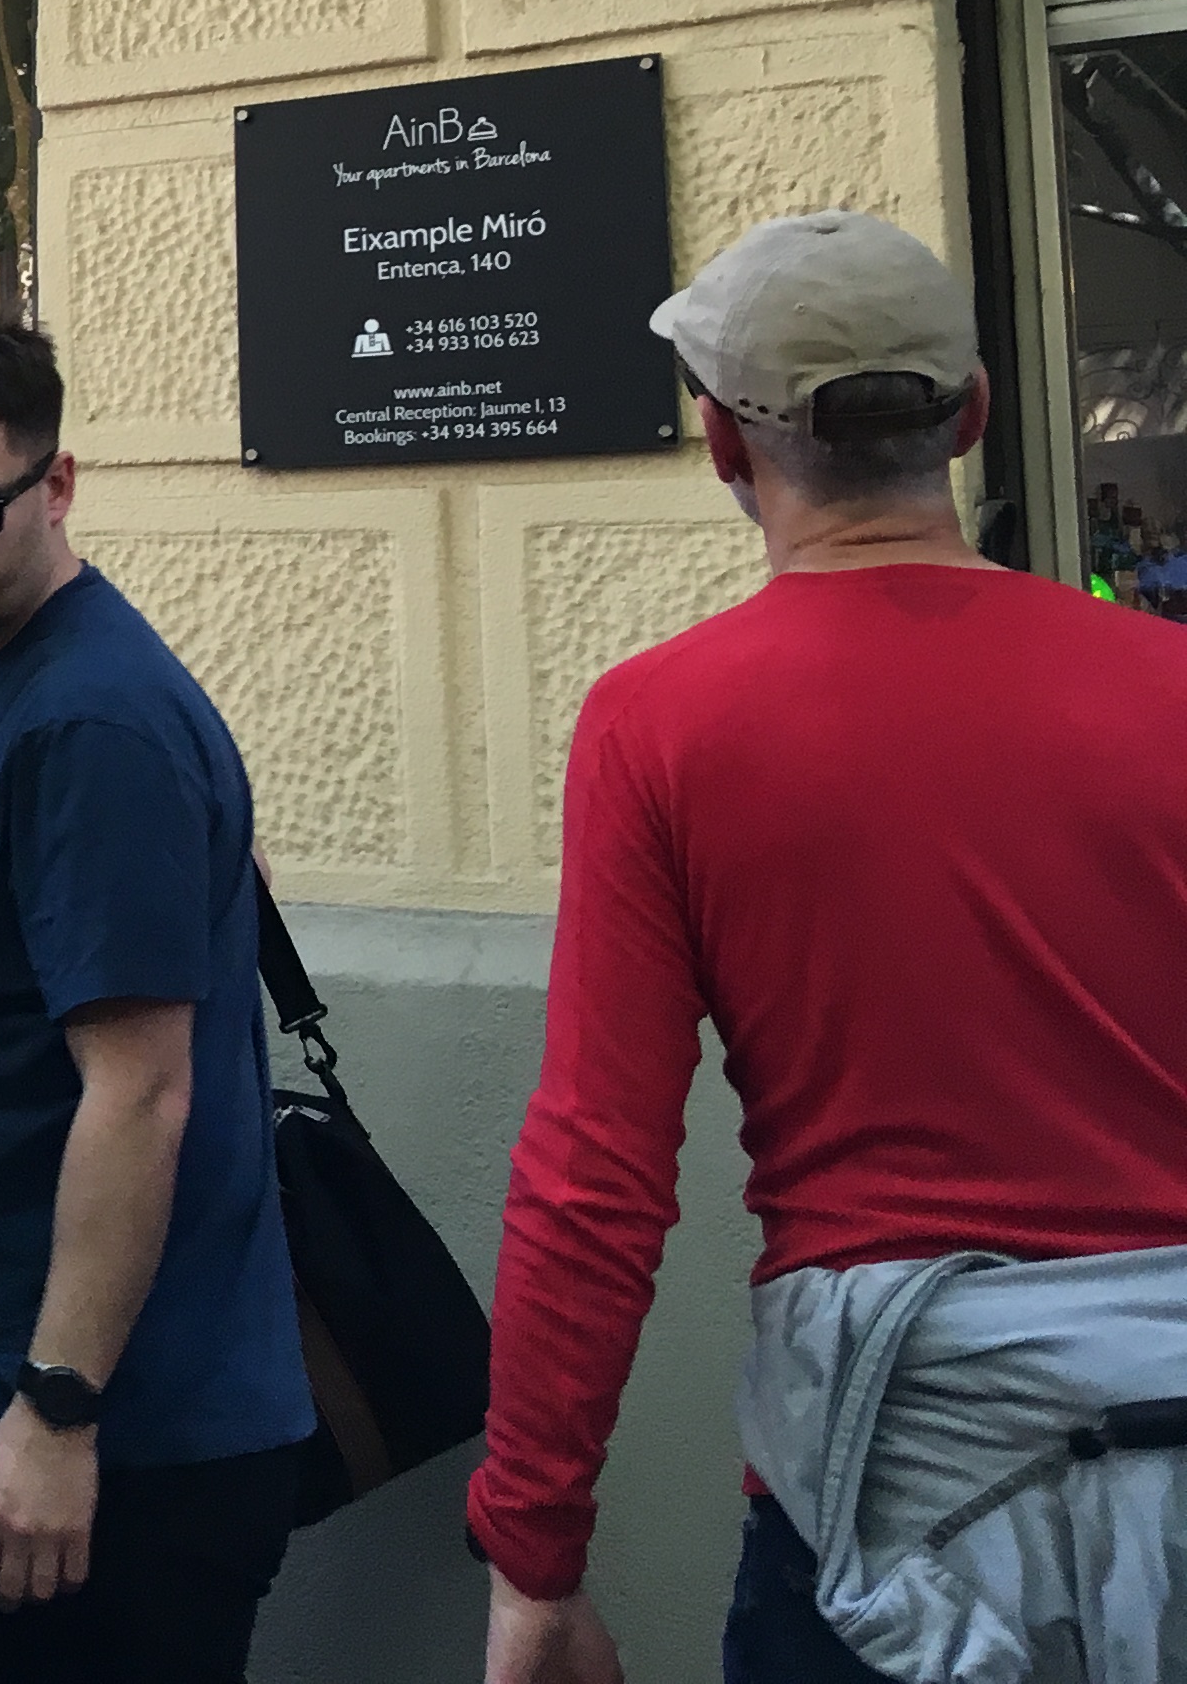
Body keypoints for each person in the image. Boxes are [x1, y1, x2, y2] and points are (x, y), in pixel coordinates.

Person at [476, 211, 1187, 1684]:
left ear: (724, 447)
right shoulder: (1171, 685)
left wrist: (533, 1554)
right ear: (974, 416)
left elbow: (595, 1176)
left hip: (888, 1506)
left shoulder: (661, 726)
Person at [0, 302, 309, 1684]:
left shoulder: (87, 718)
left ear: (56, 487)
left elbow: (142, 1090)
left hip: (112, 1433)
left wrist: (55, 1411)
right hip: (13, 1382)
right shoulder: (15, 683)